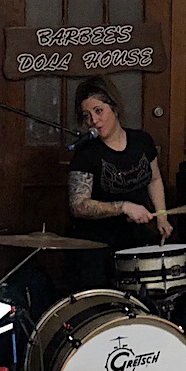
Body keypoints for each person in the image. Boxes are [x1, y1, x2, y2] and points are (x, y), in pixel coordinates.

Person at [67, 75, 173, 289]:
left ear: (114, 108)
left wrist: (161, 215)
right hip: (97, 244)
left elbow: (154, 179)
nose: (94, 121)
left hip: (137, 238)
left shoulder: (142, 141)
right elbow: (78, 205)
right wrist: (123, 207)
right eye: (87, 116)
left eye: (99, 111)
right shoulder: (86, 153)